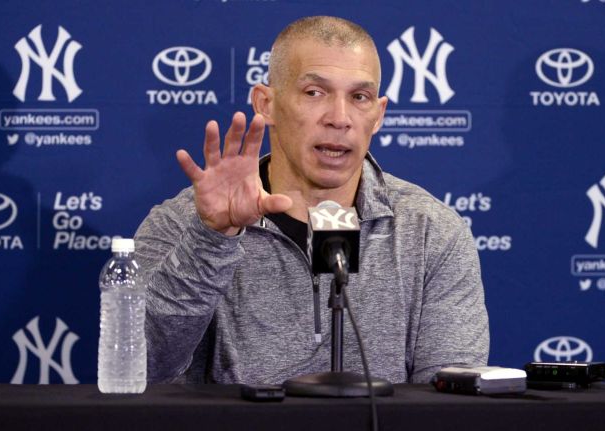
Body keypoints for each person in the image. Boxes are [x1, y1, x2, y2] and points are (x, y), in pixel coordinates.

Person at [134, 16, 489, 385]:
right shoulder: (181, 224)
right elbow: (140, 369)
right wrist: (211, 241)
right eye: (314, 93)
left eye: (359, 97)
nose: (339, 118)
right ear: (265, 103)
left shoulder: (431, 232)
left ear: (379, 115)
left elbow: (451, 399)